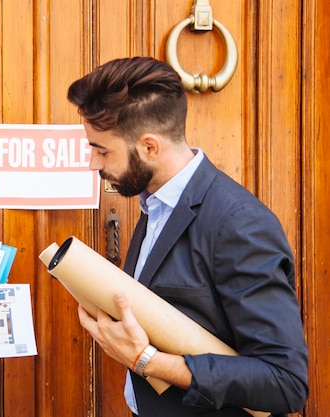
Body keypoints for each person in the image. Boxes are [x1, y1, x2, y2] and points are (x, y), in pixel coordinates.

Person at [67, 57, 308, 416]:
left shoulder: (239, 225)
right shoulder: (155, 203)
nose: (94, 164)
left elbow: (284, 382)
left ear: (150, 147)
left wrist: (146, 360)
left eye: (102, 150)